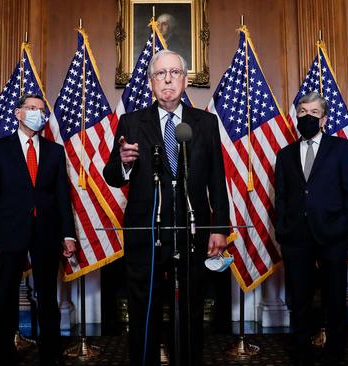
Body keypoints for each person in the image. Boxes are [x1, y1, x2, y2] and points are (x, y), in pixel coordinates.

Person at [103, 49, 229, 366]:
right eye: (160, 74)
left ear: (185, 80)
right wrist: (124, 163)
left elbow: (217, 180)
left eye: (174, 72)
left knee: (190, 305)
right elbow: (112, 176)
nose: (168, 79)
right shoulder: (131, 123)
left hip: (192, 230)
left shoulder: (206, 123)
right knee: (144, 306)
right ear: (150, 83)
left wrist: (220, 229)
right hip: (146, 231)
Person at [0, 93, 77, 366]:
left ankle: (51, 354)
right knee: (6, 296)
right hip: (9, 232)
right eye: (31, 108)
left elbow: (62, 197)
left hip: (47, 232)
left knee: (48, 296)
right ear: (18, 113)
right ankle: (4, 354)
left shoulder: (55, 151)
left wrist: (68, 234)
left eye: (41, 110)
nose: (37, 113)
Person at [274, 91, 348, 366]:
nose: (307, 117)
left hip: (333, 234)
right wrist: (282, 229)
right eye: (302, 112)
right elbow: (282, 197)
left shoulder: (341, 148)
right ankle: (301, 352)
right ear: (296, 116)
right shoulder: (284, 155)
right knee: (299, 298)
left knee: (334, 298)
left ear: (323, 119)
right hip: (296, 237)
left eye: (313, 113)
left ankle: (335, 354)